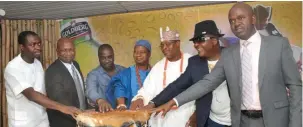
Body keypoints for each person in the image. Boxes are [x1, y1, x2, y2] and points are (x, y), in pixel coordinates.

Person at [154, 3, 302, 127]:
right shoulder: (229, 54)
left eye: (240, 18)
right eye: (231, 20)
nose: (235, 23)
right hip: (242, 121)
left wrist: (296, 124)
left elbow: (295, 86)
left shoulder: (278, 45)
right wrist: (174, 101)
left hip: (275, 120)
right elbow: (207, 83)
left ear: (253, 19)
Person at [143, 20, 231, 127]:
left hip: (238, 119)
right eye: (194, 41)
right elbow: (176, 86)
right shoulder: (195, 63)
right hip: (212, 121)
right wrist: (153, 103)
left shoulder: (232, 56)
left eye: (200, 40)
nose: (196, 45)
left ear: (214, 40)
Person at [4, 31, 81, 127]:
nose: (38, 47)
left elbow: (42, 91)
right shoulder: (13, 67)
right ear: (22, 47)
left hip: (42, 120)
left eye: (39, 44)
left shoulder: (37, 63)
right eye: (33, 44)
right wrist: (63, 108)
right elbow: (31, 94)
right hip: (23, 123)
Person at [131, 27, 194, 127]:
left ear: (177, 43)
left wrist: (195, 115)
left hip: (185, 117)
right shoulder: (158, 67)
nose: (164, 48)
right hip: (161, 120)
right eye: (162, 45)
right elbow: (147, 89)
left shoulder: (191, 61)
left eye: (168, 44)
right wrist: (140, 98)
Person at [45, 38, 87, 127]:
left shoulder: (75, 64)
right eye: (64, 50)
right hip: (64, 122)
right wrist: (82, 114)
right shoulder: (52, 71)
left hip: (81, 120)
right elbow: (59, 99)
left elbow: (80, 93)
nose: (68, 53)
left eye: (71, 50)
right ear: (57, 51)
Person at [106, 40, 152, 110]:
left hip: (153, 112)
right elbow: (119, 87)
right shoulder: (126, 73)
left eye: (142, 52)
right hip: (131, 112)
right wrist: (121, 104)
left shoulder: (155, 72)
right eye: (135, 52)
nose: (138, 55)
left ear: (149, 54)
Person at [86, 44, 125, 112]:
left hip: (123, 113)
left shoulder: (123, 71)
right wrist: (100, 100)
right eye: (103, 58)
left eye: (109, 57)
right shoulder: (93, 74)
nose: (107, 60)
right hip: (103, 115)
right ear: (99, 58)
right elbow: (90, 91)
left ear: (113, 56)